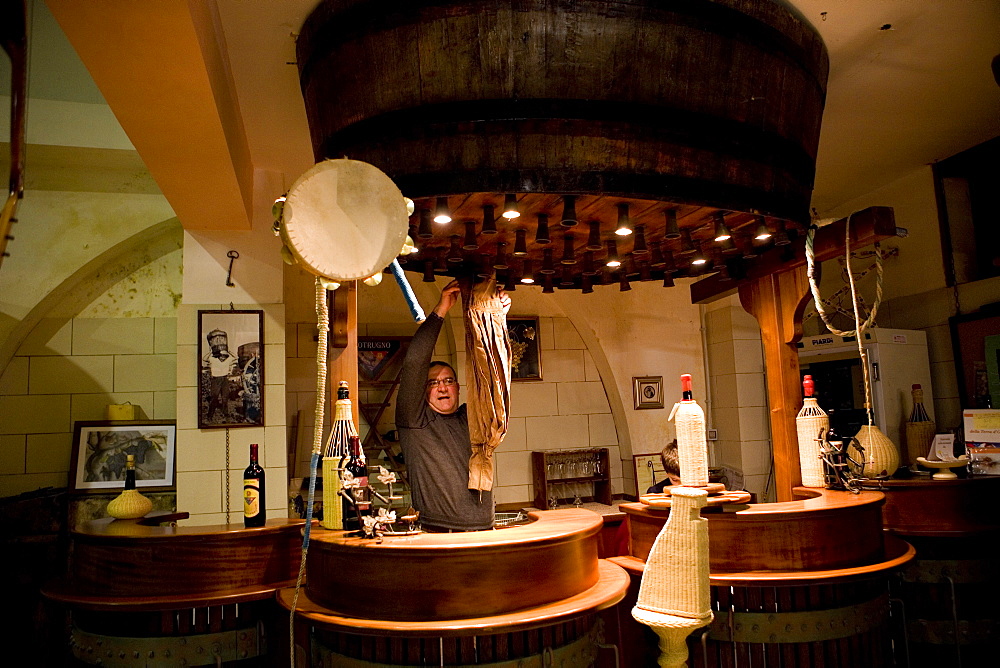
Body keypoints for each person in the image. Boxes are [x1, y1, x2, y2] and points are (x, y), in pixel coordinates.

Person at [395, 280, 509, 532]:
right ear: (422, 391)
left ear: (458, 387)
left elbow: (494, 377)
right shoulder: (415, 421)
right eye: (433, 383)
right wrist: (440, 311)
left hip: (486, 530)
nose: (443, 387)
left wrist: (496, 320)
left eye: (448, 381)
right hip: (440, 532)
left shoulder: (471, 417)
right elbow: (415, 362)